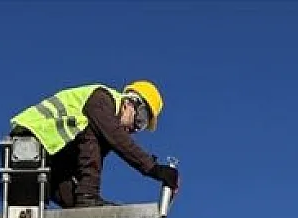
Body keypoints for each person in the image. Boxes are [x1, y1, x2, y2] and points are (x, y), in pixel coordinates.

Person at [9, 81, 180, 208]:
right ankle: (88, 196)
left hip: (51, 156)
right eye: (140, 119)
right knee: (96, 137)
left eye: (141, 126)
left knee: (75, 202)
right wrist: (154, 168)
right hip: (31, 140)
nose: (135, 128)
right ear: (130, 102)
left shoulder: (103, 124)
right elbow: (118, 139)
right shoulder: (102, 99)